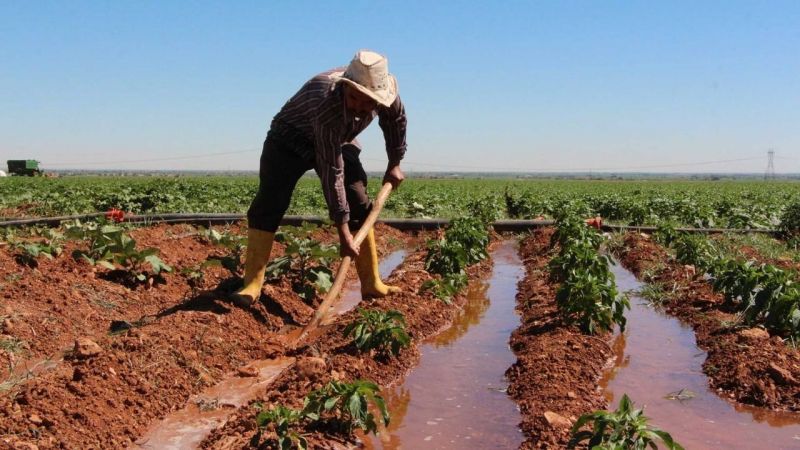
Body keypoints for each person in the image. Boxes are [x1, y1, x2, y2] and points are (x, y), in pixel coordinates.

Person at [232, 50, 407, 307]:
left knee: (359, 201)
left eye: (367, 102)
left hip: (340, 140)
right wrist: (343, 232)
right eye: (354, 99)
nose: (359, 107)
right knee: (270, 203)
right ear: (345, 88)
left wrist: (395, 163)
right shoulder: (327, 102)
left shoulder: (388, 97)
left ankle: (371, 284)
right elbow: (331, 169)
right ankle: (252, 283)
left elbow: (396, 122)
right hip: (289, 140)